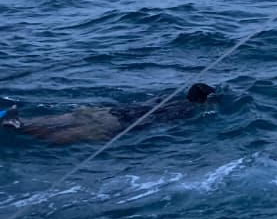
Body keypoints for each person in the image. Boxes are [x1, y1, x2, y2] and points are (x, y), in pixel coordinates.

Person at [2, 83, 217, 144]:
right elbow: (161, 124)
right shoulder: (188, 111)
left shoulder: (168, 97)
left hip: (111, 110)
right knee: (68, 135)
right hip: (120, 123)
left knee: (66, 118)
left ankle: (20, 119)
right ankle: (25, 132)